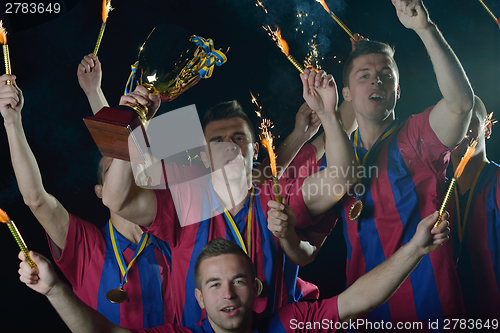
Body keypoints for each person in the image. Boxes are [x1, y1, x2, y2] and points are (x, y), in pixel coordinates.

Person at [99, 60, 357, 325]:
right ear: (204, 157)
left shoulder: (277, 195)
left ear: (255, 150)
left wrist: (328, 113)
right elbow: (115, 198)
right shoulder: (186, 202)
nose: (229, 147)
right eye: (217, 142)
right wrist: (133, 123)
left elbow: (341, 177)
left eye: (238, 138)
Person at [283, 0, 474, 326]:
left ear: (398, 92)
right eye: (364, 76)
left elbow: (460, 105)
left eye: (386, 75)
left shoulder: (415, 137)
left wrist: (424, 29)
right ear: (345, 92)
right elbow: (280, 185)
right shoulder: (339, 158)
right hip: (364, 315)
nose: (377, 81)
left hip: (429, 311)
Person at [18, 210, 451, 333]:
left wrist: (414, 248)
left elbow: (361, 297)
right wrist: (55, 289)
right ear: (199, 298)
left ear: (256, 287)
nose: (228, 294)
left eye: (238, 281)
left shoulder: (288, 324)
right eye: (214, 284)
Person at [0, 69, 173, 328]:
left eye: (129, 168)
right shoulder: (86, 247)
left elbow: (126, 152)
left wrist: (115, 106)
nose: (123, 175)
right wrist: (11, 122)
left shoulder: (171, 235)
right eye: (111, 172)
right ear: (101, 191)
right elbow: (35, 198)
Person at [449, 96, 500, 320]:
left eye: (470, 119)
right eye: (454, 119)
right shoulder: (436, 192)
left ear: (487, 128)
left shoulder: (497, 182)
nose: (461, 127)